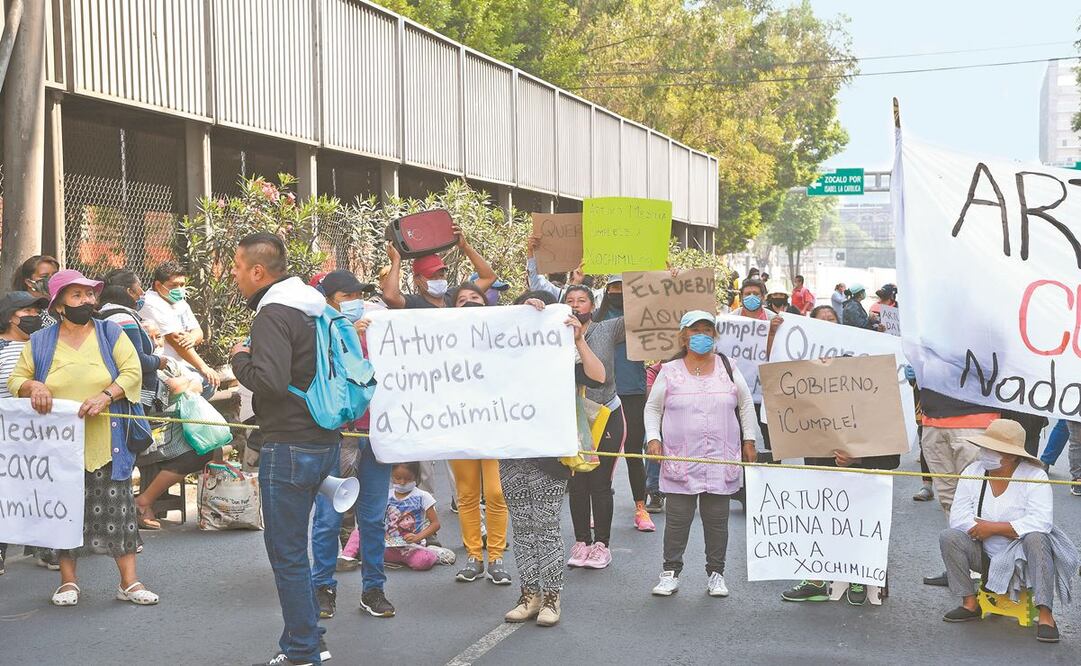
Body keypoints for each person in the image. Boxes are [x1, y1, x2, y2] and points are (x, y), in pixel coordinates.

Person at [9, 270, 157, 607]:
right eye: (77, 296)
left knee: (118, 509)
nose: (87, 301)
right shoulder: (41, 342)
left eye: (89, 295)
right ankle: (68, 582)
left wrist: (106, 395)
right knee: (65, 513)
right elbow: (18, 379)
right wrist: (36, 386)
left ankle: (129, 583)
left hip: (106, 441)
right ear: (59, 305)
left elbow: (132, 371)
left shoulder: (110, 332)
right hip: (59, 446)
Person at [229, 233, 339, 666]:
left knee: (288, 554)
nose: (235, 275)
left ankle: (302, 650)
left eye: (237, 267)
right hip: (323, 439)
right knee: (298, 550)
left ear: (258, 271)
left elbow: (270, 381)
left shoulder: (273, 312)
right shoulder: (315, 306)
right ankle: (311, 637)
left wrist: (240, 358)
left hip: (288, 445)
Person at [503, 289, 604, 628]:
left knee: (545, 526)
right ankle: (528, 594)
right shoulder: (502, 360)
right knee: (521, 527)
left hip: (549, 452)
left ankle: (551, 597)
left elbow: (598, 376)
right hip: (511, 451)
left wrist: (577, 340)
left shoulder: (562, 356)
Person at [645, 311, 756, 598]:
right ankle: (670, 573)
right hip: (682, 458)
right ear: (683, 336)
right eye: (696, 331)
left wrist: (750, 440)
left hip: (721, 456)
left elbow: (744, 405)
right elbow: (653, 408)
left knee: (717, 519)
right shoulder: (669, 370)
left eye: (708, 330)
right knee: (678, 518)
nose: (702, 336)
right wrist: (654, 439)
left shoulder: (727, 366)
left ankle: (716, 574)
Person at [305, 270, 396, 620]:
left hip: (376, 435)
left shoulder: (381, 330)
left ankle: (374, 589)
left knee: (372, 518)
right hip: (334, 438)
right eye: (347, 295)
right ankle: (323, 587)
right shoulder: (314, 329)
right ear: (329, 299)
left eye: (359, 294)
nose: (355, 302)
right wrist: (340, 338)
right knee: (328, 518)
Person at [938, 419, 1079, 643]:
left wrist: (990, 528)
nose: (984, 453)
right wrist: (981, 529)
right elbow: (958, 517)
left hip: (1022, 558)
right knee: (949, 537)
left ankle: (1046, 615)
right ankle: (969, 602)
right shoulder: (973, 471)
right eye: (984, 447)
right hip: (983, 555)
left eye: (991, 450)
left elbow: (1042, 522)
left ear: (1011, 455)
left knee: (1037, 538)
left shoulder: (1034, 476)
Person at [97, 271, 207, 531]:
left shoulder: (105, 315)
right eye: (139, 289)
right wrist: (162, 360)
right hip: (140, 405)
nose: (142, 294)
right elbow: (137, 363)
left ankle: (134, 506)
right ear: (128, 291)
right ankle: (133, 507)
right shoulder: (123, 318)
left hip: (130, 401)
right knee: (202, 446)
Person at [442, 283, 511, 585]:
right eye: (462, 300)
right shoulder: (441, 340)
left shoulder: (503, 338)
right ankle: (474, 557)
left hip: (496, 425)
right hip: (460, 425)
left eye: (475, 299)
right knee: (467, 494)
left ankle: (495, 557)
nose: (469, 303)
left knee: (496, 493)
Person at [563, 285, 627, 570]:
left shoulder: (608, 329)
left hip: (606, 413)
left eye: (582, 300)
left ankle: (602, 545)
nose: (576, 305)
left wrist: (663, 277)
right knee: (577, 483)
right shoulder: (552, 333)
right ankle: (581, 542)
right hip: (571, 417)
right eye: (570, 300)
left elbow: (644, 313)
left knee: (600, 483)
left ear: (593, 303)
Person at [920, 389, 1000, 587]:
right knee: (949, 500)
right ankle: (959, 567)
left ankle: (986, 567)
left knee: (978, 497)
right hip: (933, 420)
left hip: (974, 419)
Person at [596, 275, 655, 533]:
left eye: (622, 287)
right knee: (598, 456)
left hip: (632, 392)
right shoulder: (595, 320)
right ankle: (596, 507)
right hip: (600, 395)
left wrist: (667, 278)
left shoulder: (639, 317)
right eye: (613, 287)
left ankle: (640, 507)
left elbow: (665, 310)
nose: (617, 292)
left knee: (633, 452)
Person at [0, 290, 49, 575]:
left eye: (36, 312)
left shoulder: (44, 347)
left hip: (45, 432)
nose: (34, 317)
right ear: (9, 317)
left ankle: (45, 548)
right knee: (6, 491)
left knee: (42, 488)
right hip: (7, 433)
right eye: (27, 312)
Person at [341, 463, 455, 572]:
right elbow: (378, 519)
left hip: (411, 547)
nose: (402, 482)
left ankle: (433, 553)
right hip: (388, 546)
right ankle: (346, 558)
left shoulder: (423, 496)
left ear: (416, 477)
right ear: (391, 476)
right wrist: (383, 533)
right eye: (398, 478)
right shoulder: (387, 495)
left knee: (423, 561)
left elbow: (435, 524)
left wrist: (417, 537)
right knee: (360, 531)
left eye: (408, 479)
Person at [139, 261, 220, 392]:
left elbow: (198, 332)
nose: (179, 289)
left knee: (209, 384)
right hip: (164, 365)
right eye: (174, 285)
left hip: (182, 363)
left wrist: (192, 338)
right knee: (207, 384)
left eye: (182, 284)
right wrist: (204, 367)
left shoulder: (179, 302)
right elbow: (175, 340)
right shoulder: (151, 303)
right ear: (158, 285)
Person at [380, 223, 497, 310]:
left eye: (441, 275)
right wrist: (396, 261)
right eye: (432, 277)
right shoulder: (413, 303)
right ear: (417, 280)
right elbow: (390, 297)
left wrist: (465, 247)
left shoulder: (455, 297)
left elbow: (488, 278)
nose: (438, 280)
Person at [525, 235, 586, 303]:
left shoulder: (566, 294)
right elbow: (536, 281)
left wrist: (577, 281)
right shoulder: (550, 292)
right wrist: (531, 251)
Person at [12, 254, 60, 326]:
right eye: (44, 276)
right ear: (29, 283)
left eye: (55, 275)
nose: (52, 279)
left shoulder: (59, 304)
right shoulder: (21, 310)